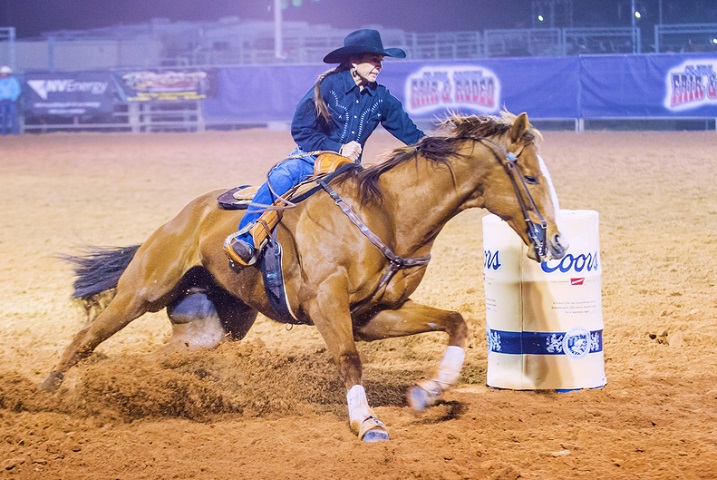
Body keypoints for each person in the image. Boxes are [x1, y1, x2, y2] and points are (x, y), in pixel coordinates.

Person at [226, 29, 425, 266]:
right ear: (354, 60)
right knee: (281, 176)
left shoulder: (381, 98)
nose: (379, 66)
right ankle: (247, 239)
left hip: (348, 169)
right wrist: (338, 148)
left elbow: (410, 133)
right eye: (374, 60)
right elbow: (301, 129)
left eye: (380, 61)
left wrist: (436, 149)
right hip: (312, 159)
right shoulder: (328, 86)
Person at [0, 66, 22, 135]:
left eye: (4, 73)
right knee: (3, 117)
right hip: (3, 101)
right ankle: (3, 132)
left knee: (13, 117)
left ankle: (15, 132)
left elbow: (17, 90)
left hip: (11, 101)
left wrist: (13, 98)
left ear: (8, 73)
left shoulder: (13, 81)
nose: (3, 74)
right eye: (2, 73)